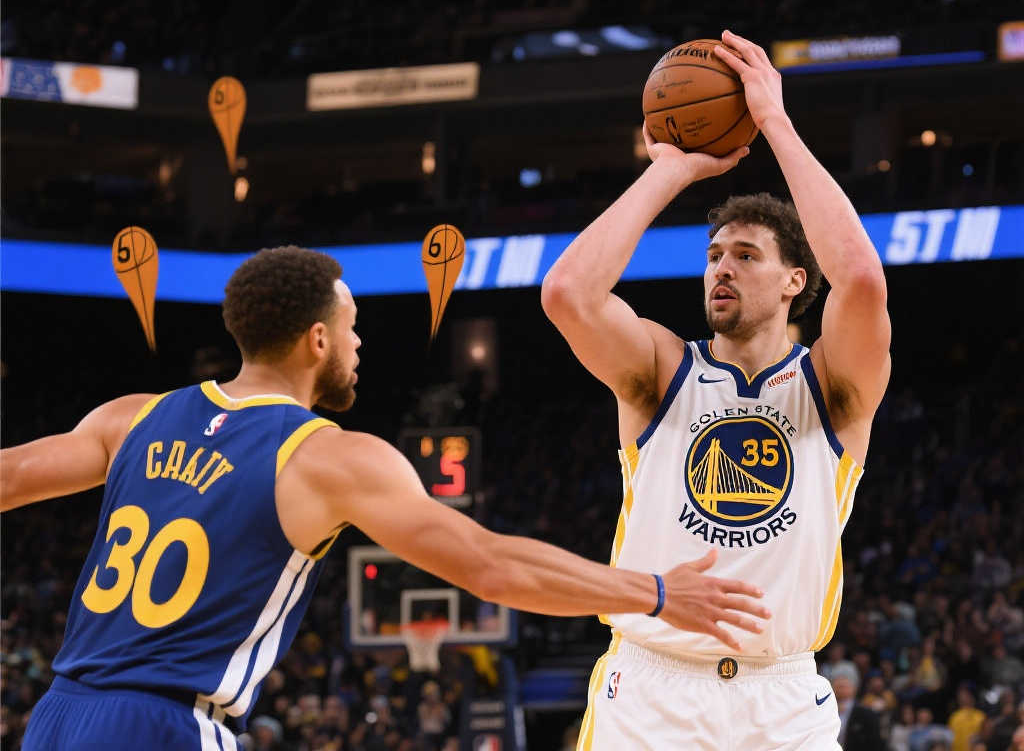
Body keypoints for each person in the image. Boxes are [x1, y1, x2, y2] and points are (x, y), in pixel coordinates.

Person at [0, 247, 770, 749]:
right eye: (353, 328)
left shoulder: (132, 418)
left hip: (58, 715)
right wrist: (656, 592)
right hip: (166, 724)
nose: (360, 344)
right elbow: (489, 566)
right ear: (317, 340)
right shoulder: (327, 456)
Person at [541, 29, 890, 749]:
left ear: (795, 281)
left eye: (746, 255)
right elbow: (567, 293)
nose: (721, 268)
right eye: (714, 255)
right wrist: (670, 170)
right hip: (650, 688)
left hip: (781, 697)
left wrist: (775, 123)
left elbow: (859, 278)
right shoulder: (662, 370)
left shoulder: (833, 385)